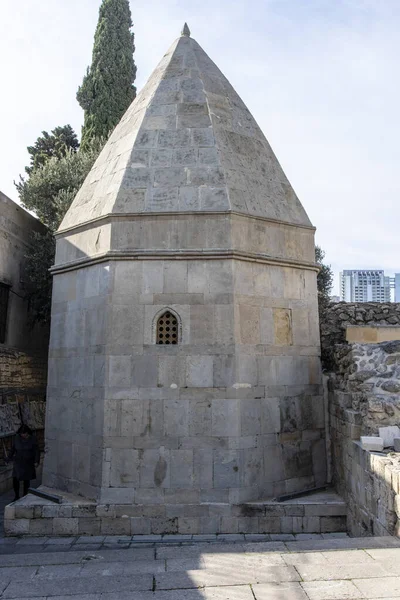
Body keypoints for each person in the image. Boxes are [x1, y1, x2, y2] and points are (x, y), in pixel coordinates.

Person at [7, 424, 40, 501]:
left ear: (27, 433)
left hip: (28, 462)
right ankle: (16, 496)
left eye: (24, 434)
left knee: (26, 479)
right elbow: (13, 449)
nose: (23, 435)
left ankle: (25, 495)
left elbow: (36, 451)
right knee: (15, 478)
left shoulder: (33, 439)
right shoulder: (17, 438)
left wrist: (36, 461)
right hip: (18, 461)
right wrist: (9, 457)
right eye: (21, 434)